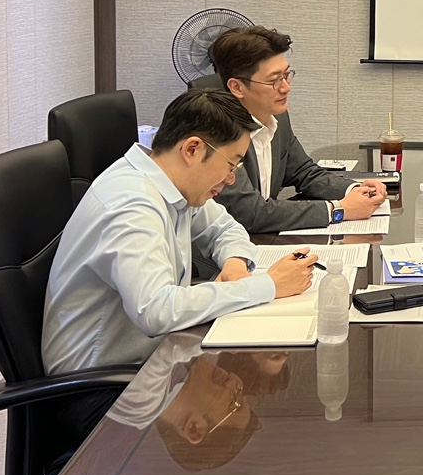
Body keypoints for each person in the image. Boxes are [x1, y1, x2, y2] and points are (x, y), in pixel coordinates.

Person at [43, 88, 318, 376]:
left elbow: (224, 228)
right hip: (102, 380)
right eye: (230, 164)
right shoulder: (131, 206)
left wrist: (235, 265)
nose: (231, 179)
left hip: (155, 355)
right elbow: (156, 310)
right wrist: (268, 285)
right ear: (192, 149)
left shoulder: (172, 182)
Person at [204, 25, 387, 233]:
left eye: (286, 75)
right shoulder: (217, 132)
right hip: (227, 247)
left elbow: (304, 172)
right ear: (237, 87)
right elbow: (250, 213)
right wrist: (338, 210)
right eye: (274, 81)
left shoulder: (277, 116)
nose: (286, 87)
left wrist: (355, 189)